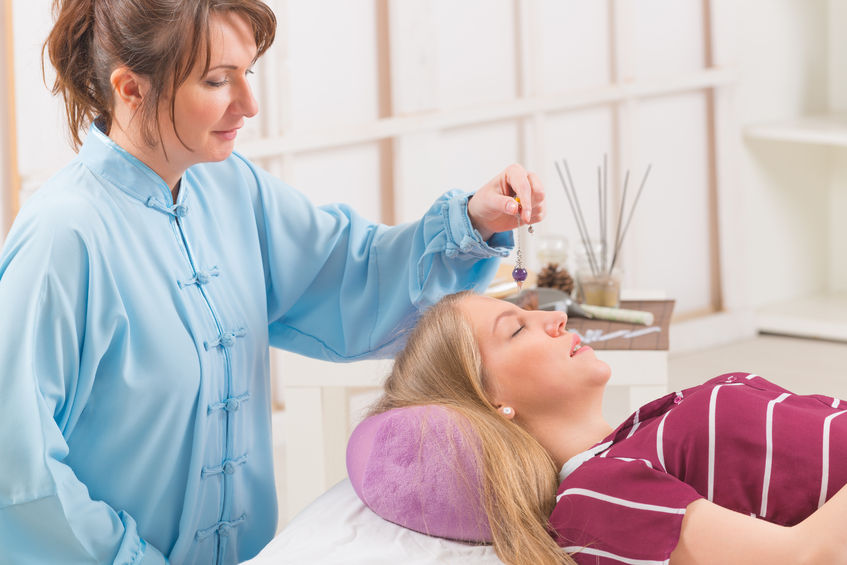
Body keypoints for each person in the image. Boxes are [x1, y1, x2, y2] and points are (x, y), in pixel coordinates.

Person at [0, 1, 547, 564]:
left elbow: (350, 275)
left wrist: (472, 221)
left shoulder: (230, 189)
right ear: (131, 89)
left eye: (248, 72)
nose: (249, 104)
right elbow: (18, 474)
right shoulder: (62, 238)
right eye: (217, 80)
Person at [371, 291, 847, 565]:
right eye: (515, 329)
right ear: (494, 403)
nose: (555, 317)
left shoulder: (637, 436)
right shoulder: (592, 497)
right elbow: (806, 557)